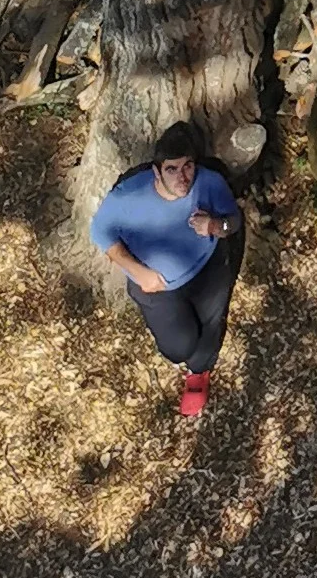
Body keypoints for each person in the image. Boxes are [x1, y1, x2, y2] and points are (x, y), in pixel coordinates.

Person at [89, 123, 243, 419]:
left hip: (207, 268)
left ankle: (199, 374)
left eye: (188, 167)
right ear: (157, 172)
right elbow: (100, 232)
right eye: (172, 169)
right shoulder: (129, 195)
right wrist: (138, 272)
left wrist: (213, 225)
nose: (183, 178)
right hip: (156, 287)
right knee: (178, 348)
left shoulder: (209, 182)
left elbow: (232, 221)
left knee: (210, 324)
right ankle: (187, 356)